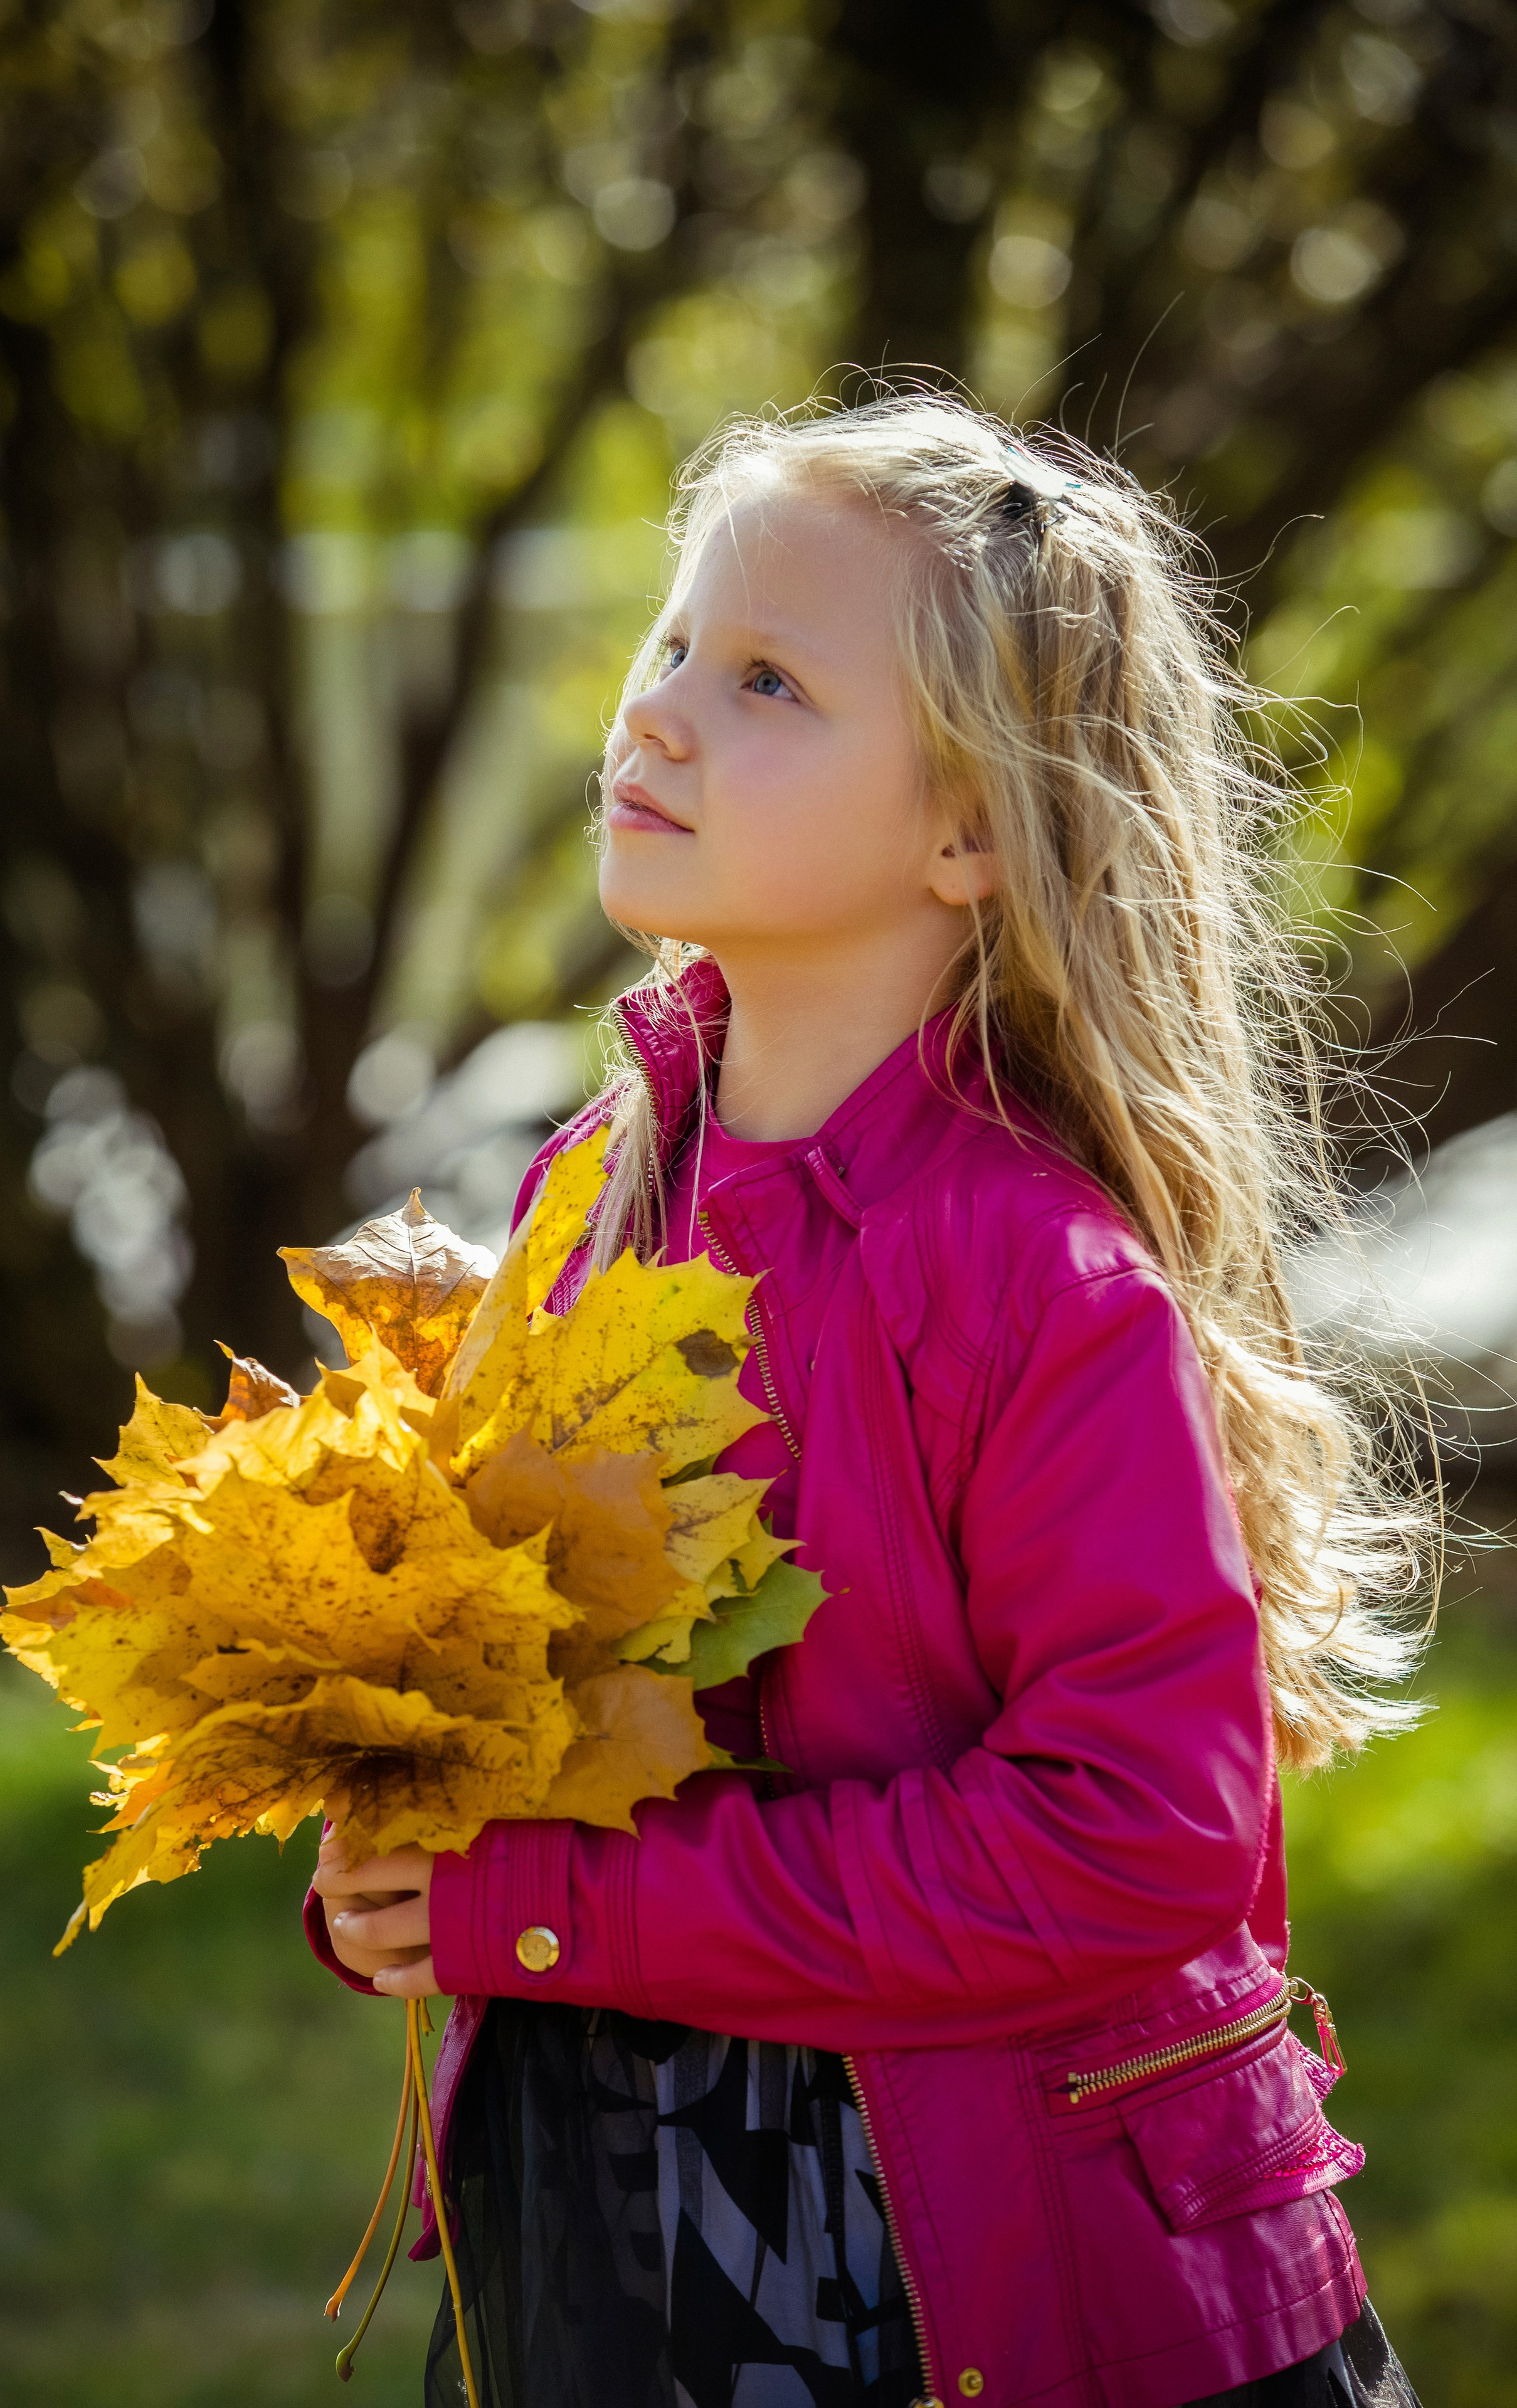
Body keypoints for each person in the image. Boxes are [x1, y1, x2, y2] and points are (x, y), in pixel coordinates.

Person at [308, 393, 1428, 2408]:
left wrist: (557, 1910)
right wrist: (414, 1852)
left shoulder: (1035, 1278)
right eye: (670, 646)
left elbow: (1137, 1838)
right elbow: (542, 1693)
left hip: (997, 2271)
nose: (653, 715)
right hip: (627, 2239)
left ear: (971, 828)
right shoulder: (593, 1193)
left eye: (763, 680)